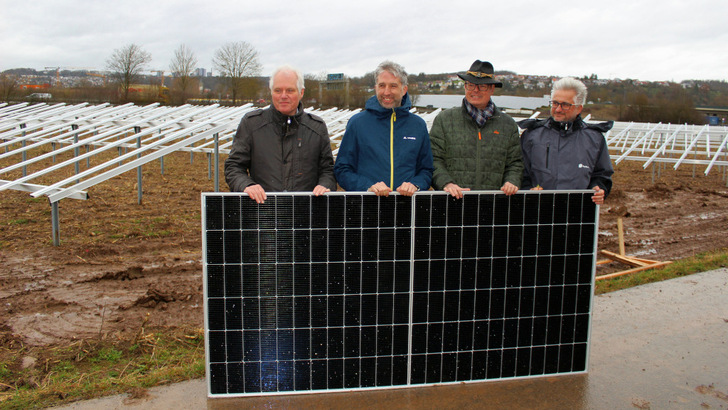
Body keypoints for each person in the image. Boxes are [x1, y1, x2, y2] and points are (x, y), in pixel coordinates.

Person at [224, 65, 336, 203]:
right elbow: (233, 166)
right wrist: (246, 185)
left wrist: (325, 185)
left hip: (306, 212)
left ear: (301, 92)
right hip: (262, 210)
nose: (283, 96)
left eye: (290, 90)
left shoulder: (316, 128)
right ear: (271, 92)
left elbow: (328, 169)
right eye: (278, 90)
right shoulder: (252, 124)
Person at [333, 61, 433, 196]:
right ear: (375, 88)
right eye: (382, 86)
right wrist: (367, 187)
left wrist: (416, 184)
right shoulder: (357, 123)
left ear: (404, 90)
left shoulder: (418, 125)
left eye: (393, 86)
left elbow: (426, 170)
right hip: (367, 209)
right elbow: (342, 169)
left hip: (406, 207)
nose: (387, 92)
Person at [429, 60, 523, 199]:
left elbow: (515, 163)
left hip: (495, 204)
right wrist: (446, 184)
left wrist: (511, 181)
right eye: (471, 85)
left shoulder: (508, 125)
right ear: (465, 87)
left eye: (482, 86)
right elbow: (433, 159)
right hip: (452, 202)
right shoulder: (444, 120)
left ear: (492, 89)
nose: (475, 90)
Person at [518, 77, 614, 205]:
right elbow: (520, 171)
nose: (558, 109)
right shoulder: (532, 135)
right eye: (555, 103)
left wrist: (598, 189)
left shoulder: (594, 139)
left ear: (579, 108)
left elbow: (602, 175)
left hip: (578, 213)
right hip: (538, 211)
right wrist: (528, 190)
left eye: (565, 105)